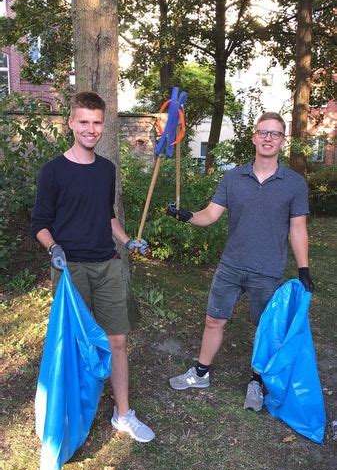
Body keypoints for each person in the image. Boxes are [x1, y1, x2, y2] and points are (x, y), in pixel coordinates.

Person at [166, 112, 314, 411]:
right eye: (263, 132)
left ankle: (257, 382)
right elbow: (211, 214)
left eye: (275, 133)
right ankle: (201, 373)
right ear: (254, 137)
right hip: (231, 265)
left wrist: (304, 268)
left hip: (268, 270)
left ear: (283, 141)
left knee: (265, 329)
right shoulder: (233, 178)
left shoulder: (294, 184)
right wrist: (187, 216)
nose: (268, 138)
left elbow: (298, 227)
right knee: (213, 319)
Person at [32, 91, 155, 442]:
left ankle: (123, 414)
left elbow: (107, 216)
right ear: (70, 122)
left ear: (104, 125)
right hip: (70, 269)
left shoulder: (106, 170)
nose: (90, 129)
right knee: (73, 343)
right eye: (83, 121)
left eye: (96, 122)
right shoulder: (53, 171)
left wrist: (127, 240)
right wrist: (53, 247)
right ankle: (70, 411)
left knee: (117, 340)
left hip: (106, 266)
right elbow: (39, 223)